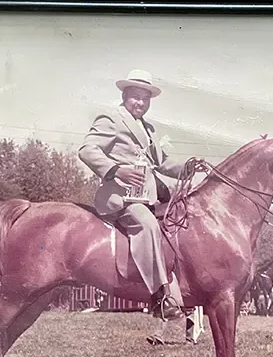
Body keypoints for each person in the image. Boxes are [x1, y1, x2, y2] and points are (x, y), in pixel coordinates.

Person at [79, 69, 192, 320]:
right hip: (120, 198)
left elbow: (161, 163)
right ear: (125, 95)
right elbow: (87, 150)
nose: (140, 103)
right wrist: (117, 170)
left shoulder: (148, 129)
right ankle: (159, 297)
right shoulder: (111, 119)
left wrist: (188, 168)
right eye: (135, 97)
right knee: (146, 223)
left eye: (145, 98)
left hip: (145, 197)